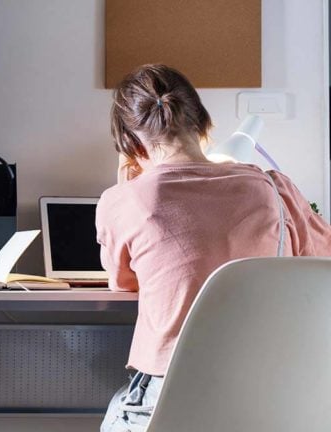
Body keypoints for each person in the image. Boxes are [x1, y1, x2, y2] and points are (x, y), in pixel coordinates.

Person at [97, 63, 331, 432]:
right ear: (203, 123)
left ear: (130, 143)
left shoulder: (123, 200)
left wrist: (126, 188)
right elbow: (321, 262)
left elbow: (123, 283)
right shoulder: (274, 190)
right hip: (275, 397)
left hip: (172, 402)